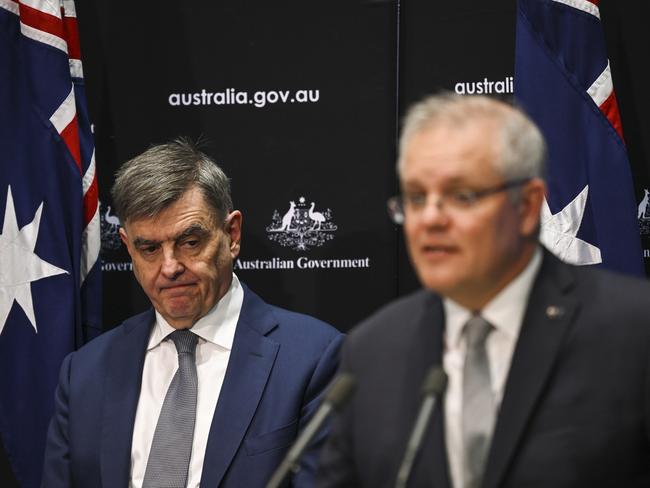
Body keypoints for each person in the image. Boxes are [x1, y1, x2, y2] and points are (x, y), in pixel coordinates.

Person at [317, 93, 650, 487]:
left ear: (527, 207)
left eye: (462, 196)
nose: (431, 219)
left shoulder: (632, 330)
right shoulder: (373, 348)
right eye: (417, 198)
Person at [42, 139, 343, 487]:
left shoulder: (315, 361)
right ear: (127, 248)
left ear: (232, 235)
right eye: (150, 248)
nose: (169, 267)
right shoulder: (84, 373)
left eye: (189, 242)